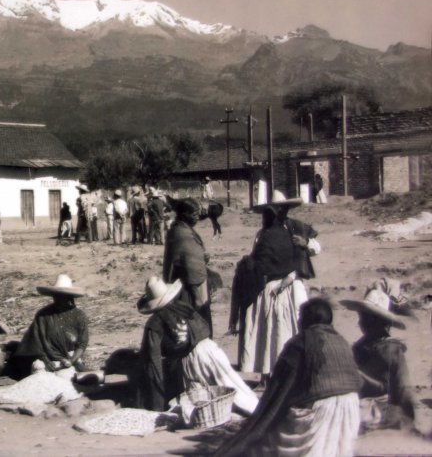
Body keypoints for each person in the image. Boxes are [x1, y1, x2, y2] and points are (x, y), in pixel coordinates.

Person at [213, 299, 361, 457]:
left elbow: (279, 389)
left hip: (321, 412)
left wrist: (258, 425)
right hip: (350, 413)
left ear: (306, 319)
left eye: (300, 316)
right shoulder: (341, 340)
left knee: (268, 442)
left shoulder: (301, 342)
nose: (298, 320)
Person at [132, 277, 259, 414]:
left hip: (194, 360)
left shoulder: (154, 323)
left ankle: (251, 412)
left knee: (205, 394)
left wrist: (156, 404)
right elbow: (205, 328)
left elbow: (153, 361)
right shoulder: (184, 307)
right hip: (211, 349)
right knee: (234, 385)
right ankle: (258, 409)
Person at [239, 196, 309, 377]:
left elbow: (312, 249)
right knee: (275, 330)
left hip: (292, 286)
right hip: (273, 285)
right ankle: (273, 371)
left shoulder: (296, 228)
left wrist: (306, 243)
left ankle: (291, 371)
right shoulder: (262, 235)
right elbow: (259, 258)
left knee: (286, 328)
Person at [341, 278, 415, 428]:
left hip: (379, 407)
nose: (360, 323)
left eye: (365, 319)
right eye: (361, 318)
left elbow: (400, 389)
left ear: (379, 322)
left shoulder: (392, 350)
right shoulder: (361, 346)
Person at [7, 274, 89, 379]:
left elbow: (82, 344)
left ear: (69, 297)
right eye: (55, 296)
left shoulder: (79, 315)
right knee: (39, 372)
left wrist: (71, 361)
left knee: (68, 377)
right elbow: (35, 343)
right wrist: (46, 360)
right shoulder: (43, 315)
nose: (57, 299)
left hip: (70, 356)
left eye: (61, 296)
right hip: (46, 358)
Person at [163, 196, 212, 336]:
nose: (197, 217)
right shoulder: (182, 234)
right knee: (194, 328)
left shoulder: (180, 230)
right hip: (189, 290)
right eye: (194, 214)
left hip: (185, 287)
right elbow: (189, 268)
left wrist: (202, 258)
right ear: (185, 215)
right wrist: (197, 297)